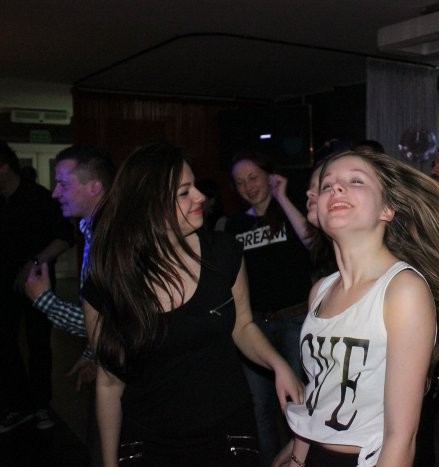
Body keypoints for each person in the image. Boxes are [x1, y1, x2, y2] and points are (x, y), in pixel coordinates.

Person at [278, 150, 439, 467]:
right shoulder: (321, 291)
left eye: (355, 181)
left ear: (387, 209)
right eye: (327, 185)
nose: (336, 188)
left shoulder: (402, 290)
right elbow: (320, 394)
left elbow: (401, 437)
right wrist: (297, 458)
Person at [81, 142, 303, 467]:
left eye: (195, 186)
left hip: (227, 432)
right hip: (149, 441)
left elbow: (242, 326)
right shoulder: (110, 281)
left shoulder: (223, 252)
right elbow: (109, 381)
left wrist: (278, 364)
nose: (200, 196)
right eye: (185, 192)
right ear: (149, 205)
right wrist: (109, 463)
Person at [23, 144, 113, 463]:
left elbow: (110, 323)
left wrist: (44, 300)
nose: (54, 192)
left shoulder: (110, 239)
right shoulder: (96, 230)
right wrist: (92, 353)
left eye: (62, 183)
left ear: (94, 186)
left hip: (128, 378)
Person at [224, 151, 313, 466]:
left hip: (294, 320)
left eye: (253, 177)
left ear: (269, 176)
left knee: (298, 402)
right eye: (240, 182)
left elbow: (313, 243)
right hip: (254, 326)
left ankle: (299, 461)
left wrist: (282, 197)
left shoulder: (289, 211)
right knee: (260, 406)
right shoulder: (234, 225)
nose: (248, 186)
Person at [0, 141, 73, 433]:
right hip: (4, 286)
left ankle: (41, 404)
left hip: (36, 283)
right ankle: (20, 405)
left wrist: (34, 262)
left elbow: (64, 237)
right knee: (5, 343)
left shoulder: (38, 198)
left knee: (38, 342)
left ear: (3, 167)